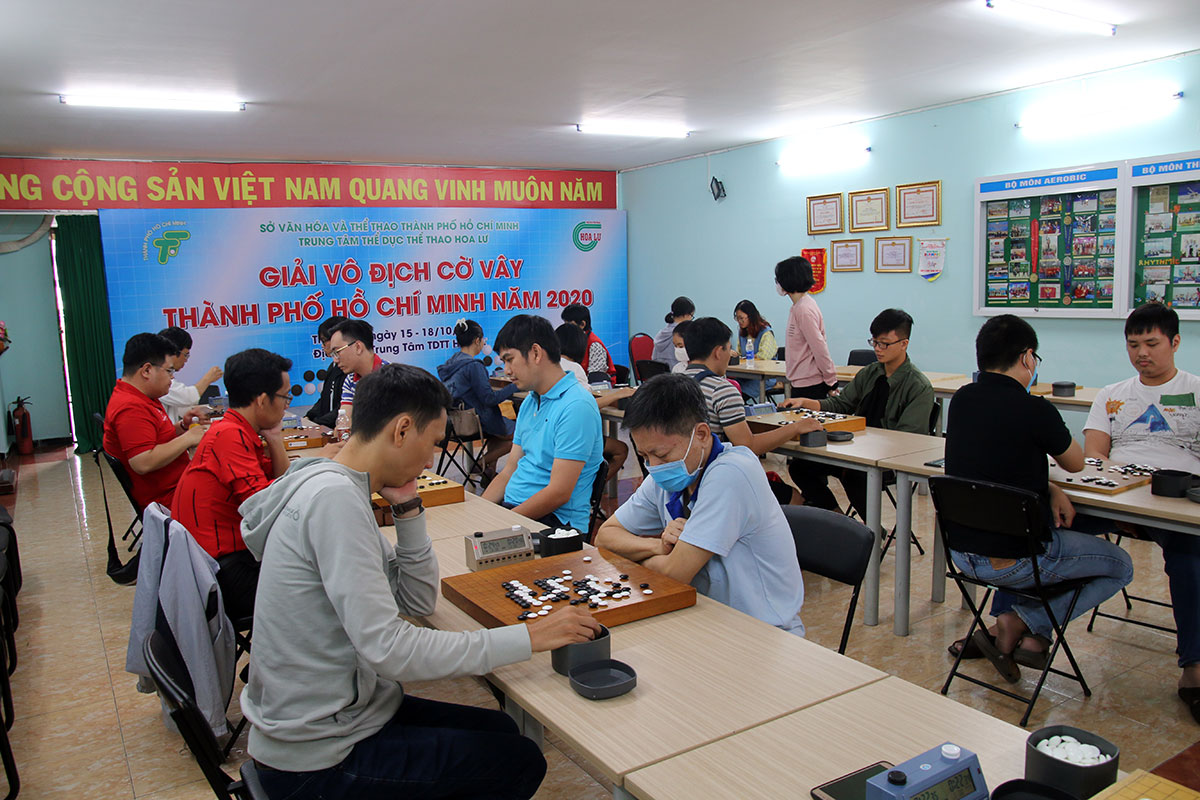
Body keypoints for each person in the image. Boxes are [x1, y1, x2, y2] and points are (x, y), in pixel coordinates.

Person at [239, 363, 601, 799]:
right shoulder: (334, 501)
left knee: (504, 729)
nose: (431, 461)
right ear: (402, 430)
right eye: (432, 443)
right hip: (315, 758)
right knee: (519, 760)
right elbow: (390, 650)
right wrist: (529, 637)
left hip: (344, 714)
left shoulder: (340, 484)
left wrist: (408, 508)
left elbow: (415, 601)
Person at [945, 314, 1132, 684]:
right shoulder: (1035, 409)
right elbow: (1076, 463)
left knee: (1053, 543)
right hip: (1016, 559)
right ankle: (1023, 622)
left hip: (962, 554)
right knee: (1121, 566)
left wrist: (1049, 487)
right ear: (1027, 357)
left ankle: (1024, 633)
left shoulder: (962, 400)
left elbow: (995, 466)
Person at [594, 374, 805, 634]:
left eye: (661, 454)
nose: (653, 467)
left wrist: (637, 560)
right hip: (700, 617)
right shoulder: (667, 474)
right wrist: (658, 546)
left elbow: (673, 575)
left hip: (762, 631)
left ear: (702, 434)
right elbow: (605, 537)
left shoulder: (731, 473)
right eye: (644, 456)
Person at [1081, 302, 1200, 723]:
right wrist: (1121, 501)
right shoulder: (1112, 394)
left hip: (1176, 504)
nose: (1141, 353)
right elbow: (1094, 456)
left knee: (1191, 558)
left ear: (1175, 342)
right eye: (1133, 345)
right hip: (1117, 497)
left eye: (1151, 343)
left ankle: (1194, 670)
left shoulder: (1196, 390)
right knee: (1037, 522)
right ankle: (1015, 628)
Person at [172, 348, 330, 621]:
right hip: (223, 574)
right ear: (262, 401)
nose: (286, 404)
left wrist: (275, 438)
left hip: (221, 560)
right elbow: (265, 512)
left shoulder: (235, 429)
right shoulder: (230, 437)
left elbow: (277, 484)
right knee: (329, 587)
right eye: (285, 397)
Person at [780, 308, 934, 515]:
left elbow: (909, 439)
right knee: (800, 466)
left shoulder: (918, 386)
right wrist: (806, 402)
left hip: (886, 459)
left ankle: (871, 530)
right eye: (874, 342)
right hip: (855, 450)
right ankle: (836, 516)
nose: (877, 349)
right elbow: (841, 404)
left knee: (854, 475)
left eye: (884, 343)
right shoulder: (870, 373)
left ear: (904, 344)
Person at [482, 315, 603, 531]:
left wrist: (502, 524)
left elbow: (558, 493)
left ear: (536, 353)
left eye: (510, 360)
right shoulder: (530, 401)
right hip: (517, 513)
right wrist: (479, 513)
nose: (507, 370)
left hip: (554, 523)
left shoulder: (576, 406)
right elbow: (509, 470)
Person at [682, 317, 819, 457]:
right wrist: (795, 427)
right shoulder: (722, 390)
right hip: (711, 466)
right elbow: (747, 446)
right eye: (729, 349)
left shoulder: (675, 383)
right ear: (718, 352)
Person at [103, 333, 206, 510]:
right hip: (169, 499)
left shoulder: (144, 396)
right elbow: (143, 462)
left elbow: (156, 438)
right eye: (169, 371)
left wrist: (182, 426)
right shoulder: (130, 408)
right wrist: (188, 438)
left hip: (179, 485)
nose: (172, 377)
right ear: (147, 370)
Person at [437, 318, 520, 477]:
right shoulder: (474, 366)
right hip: (476, 422)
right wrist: (515, 385)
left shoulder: (451, 363)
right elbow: (489, 399)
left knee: (499, 431)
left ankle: (489, 472)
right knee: (521, 435)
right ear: (477, 341)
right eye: (483, 340)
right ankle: (480, 464)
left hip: (454, 422)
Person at [556, 323, 633, 486]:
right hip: (574, 437)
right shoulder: (574, 368)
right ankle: (591, 491)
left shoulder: (551, 366)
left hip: (554, 437)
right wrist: (619, 394)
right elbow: (587, 404)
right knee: (620, 450)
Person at [776, 256, 837, 400]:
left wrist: (831, 381)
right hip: (800, 382)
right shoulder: (798, 307)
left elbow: (819, 347)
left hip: (810, 384)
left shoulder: (804, 309)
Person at [330, 319, 388, 431]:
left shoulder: (391, 379)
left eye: (337, 352)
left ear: (358, 347)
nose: (335, 360)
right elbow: (344, 423)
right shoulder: (350, 380)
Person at [157, 326, 222, 424]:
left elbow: (181, 405)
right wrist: (208, 378)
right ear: (174, 352)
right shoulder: (158, 378)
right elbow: (186, 397)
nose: (186, 360)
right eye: (186, 355)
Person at [305, 315, 348, 428]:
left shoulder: (350, 369)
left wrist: (318, 422)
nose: (322, 346)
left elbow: (344, 407)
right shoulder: (332, 366)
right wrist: (309, 416)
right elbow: (325, 397)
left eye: (324, 341)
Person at [733, 299, 778, 400]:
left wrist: (746, 359)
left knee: (738, 396)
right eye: (737, 318)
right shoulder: (743, 333)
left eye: (742, 318)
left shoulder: (766, 332)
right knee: (731, 389)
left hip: (764, 376)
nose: (739, 321)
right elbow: (739, 353)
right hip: (747, 375)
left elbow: (764, 357)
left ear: (751, 317)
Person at [561, 302, 616, 384]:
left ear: (582, 324)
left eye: (570, 325)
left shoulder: (594, 346)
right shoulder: (570, 342)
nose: (566, 328)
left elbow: (595, 379)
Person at [652, 296, 695, 369]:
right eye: (692, 316)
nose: (691, 319)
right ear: (686, 315)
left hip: (657, 374)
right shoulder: (682, 335)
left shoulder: (662, 333)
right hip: (677, 373)